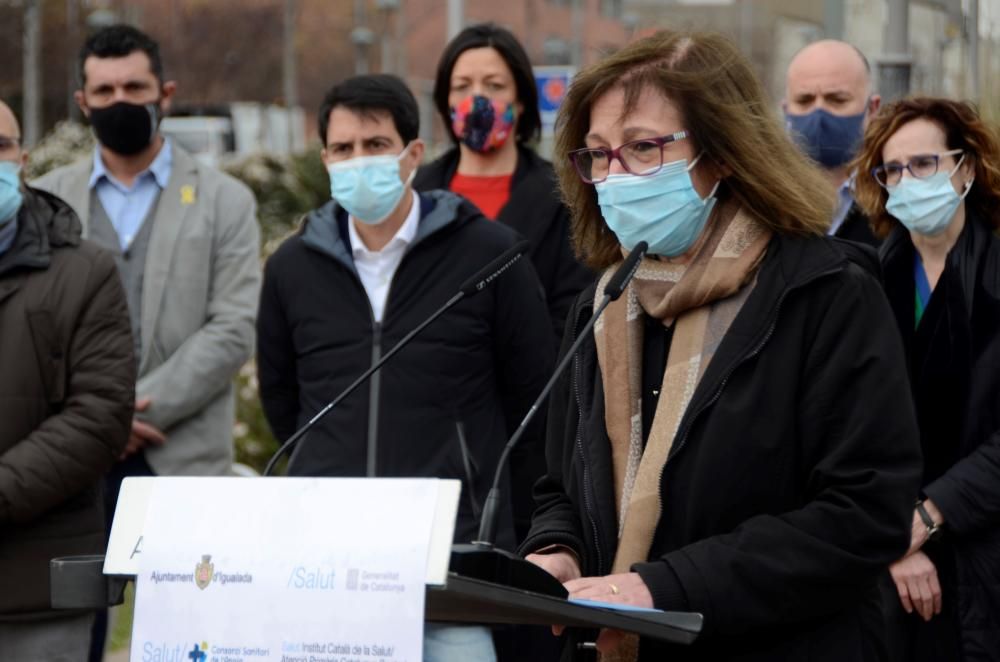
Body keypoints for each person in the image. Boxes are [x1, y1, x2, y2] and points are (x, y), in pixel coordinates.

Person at [519, 30, 922, 661]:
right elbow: (561, 485)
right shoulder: (602, 304)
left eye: (643, 148)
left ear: (723, 152)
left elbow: (864, 513)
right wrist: (556, 552)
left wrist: (665, 587)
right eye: (598, 154)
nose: (615, 176)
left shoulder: (825, 295)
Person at [256, 73, 554, 662]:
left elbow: (533, 397)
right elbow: (282, 400)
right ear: (324, 158)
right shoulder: (292, 266)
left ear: (413, 154)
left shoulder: (491, 255)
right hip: (327, 564)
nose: (358, 161)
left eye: (375, 145)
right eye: (343, 149)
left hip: (452, 563)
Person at [32, 24, 261, 660]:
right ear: (82, 102)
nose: (120, 100)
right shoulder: (47, 200)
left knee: (191, 638)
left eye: (134, 85)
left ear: (165, 92)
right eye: (103, 90)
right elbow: (34, 334)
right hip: (73, 460)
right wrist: (95, 421)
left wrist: (130, 409)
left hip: (179, 451)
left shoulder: (225, 201)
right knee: (74, 634)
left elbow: (232, 324)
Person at [852, 97, 1000, 661]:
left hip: (981, 553)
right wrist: (893, 535)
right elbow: (844, 427)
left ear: (965, 168)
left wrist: (930, 513)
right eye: (893, 169)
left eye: (924, 164)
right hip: (883, 560)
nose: (907, 180)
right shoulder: (864, 280)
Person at [0, 99, 135, 661]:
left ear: (23, 159)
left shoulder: (85, 271)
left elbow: (99, 416)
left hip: (40, 593)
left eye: (0, 146)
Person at [414, 23, 591, 343]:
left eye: (494, 85)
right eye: (462, 86)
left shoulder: (563, 196)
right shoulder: (415, 196)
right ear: (446, 101)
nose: (477, 98)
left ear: (521, 100)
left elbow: (573, 310)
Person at [784, 39, 881, 246]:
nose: (819, 114)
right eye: (804, 101)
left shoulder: (898, 196)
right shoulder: (763, 201)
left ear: (872, 109)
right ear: (786, 110)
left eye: (837, 100)